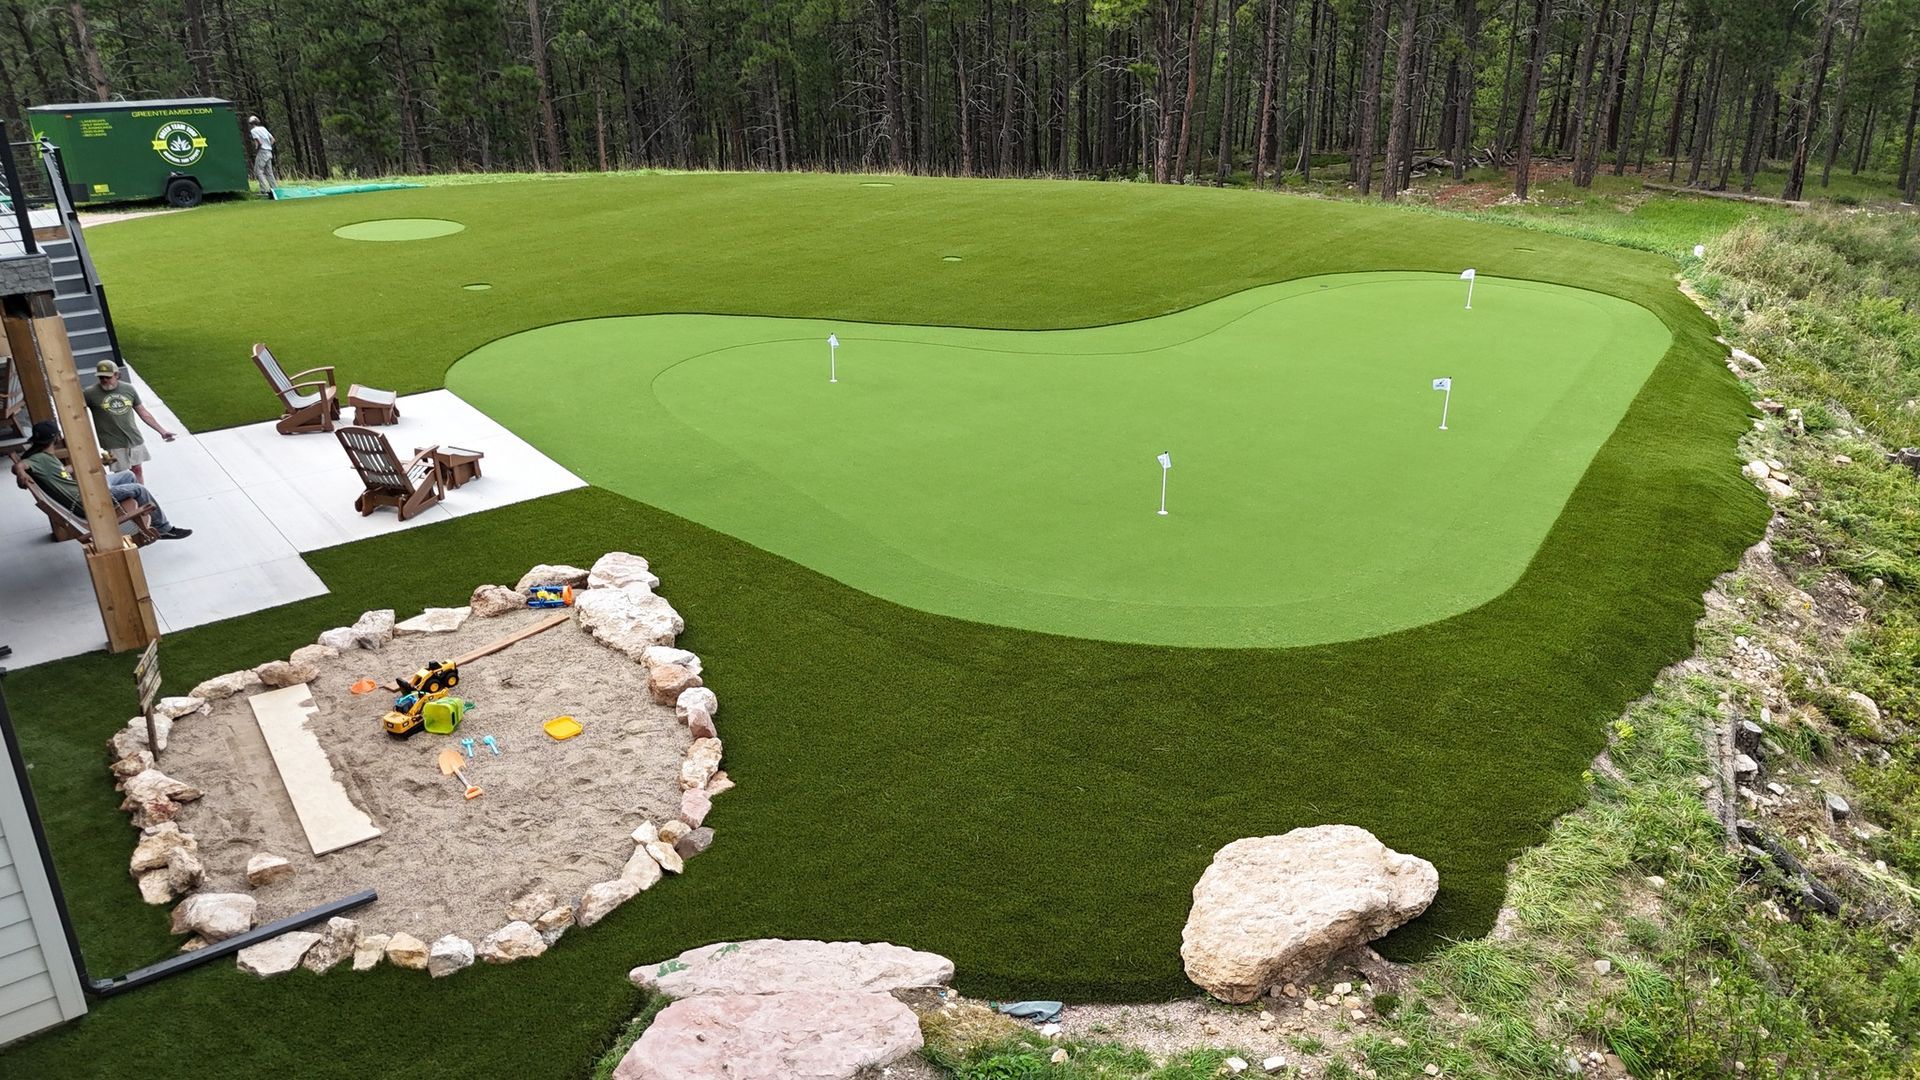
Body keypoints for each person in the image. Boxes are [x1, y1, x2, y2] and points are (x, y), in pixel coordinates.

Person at [15, 421, 191, 540]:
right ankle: (164, 528)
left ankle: (135, 515)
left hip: (84, 492)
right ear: (55, 438)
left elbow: (62, 473)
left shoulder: (45, 457)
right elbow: (20, 466)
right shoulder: (38, 459)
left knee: (128, 475)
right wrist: (21, 473)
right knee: (139, 489)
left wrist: (97, 463)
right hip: (88, 500)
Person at [83, 361, 174, 483]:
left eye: (108, 377)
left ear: (117, 375)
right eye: (101, 377)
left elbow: (143, 412)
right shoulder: (89, 393)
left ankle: (142, 498)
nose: (104, 380)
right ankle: (131, 499)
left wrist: (162, 431)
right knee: (123, 476)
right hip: (112, 442)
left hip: (133, 437)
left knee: (137, 470)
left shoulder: (128, 389)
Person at [247, 114, 277, 198]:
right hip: (269, 151)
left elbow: (259, 142)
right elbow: (273, 139)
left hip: (262, 152)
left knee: (258, 171)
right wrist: (269, 146)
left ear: (250, 124)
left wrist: (257, 149)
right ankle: (274, 189)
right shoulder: (263, 128)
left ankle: (264, 190)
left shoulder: (253, 131)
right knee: (269, 172)